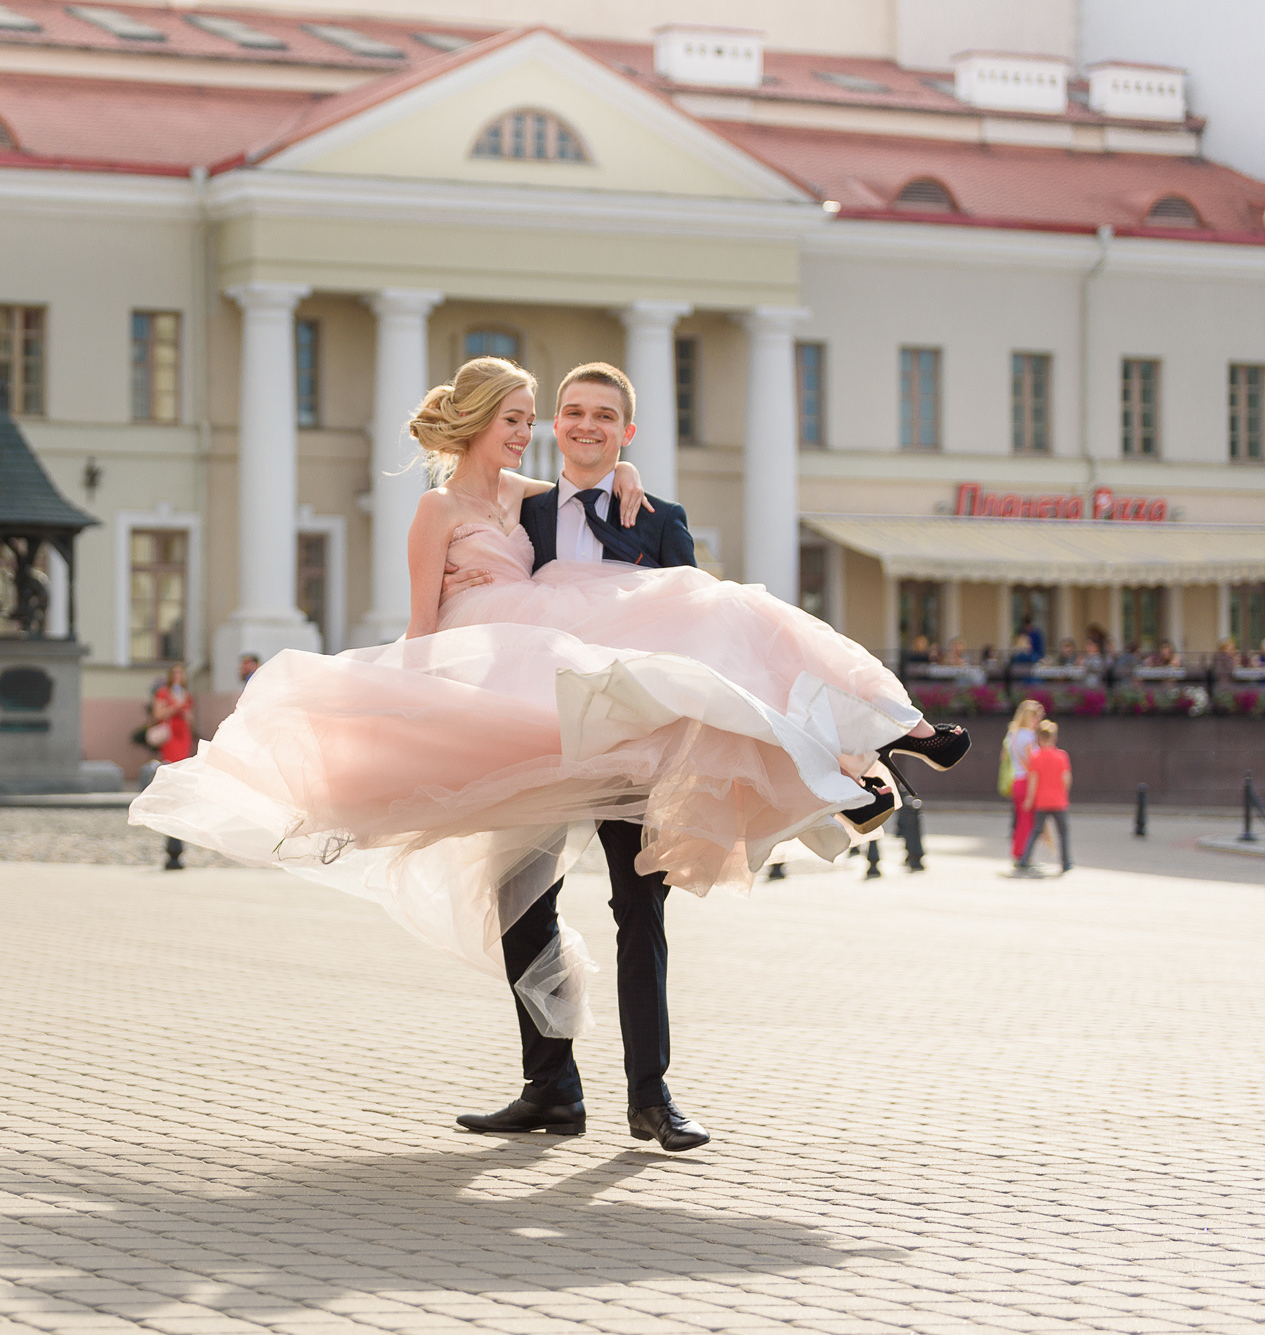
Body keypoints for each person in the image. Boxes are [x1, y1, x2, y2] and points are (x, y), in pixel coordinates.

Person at [132, 357, 966, 1148]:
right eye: (532, 418)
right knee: (520, 905)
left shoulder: (643, 513)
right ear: (488, 421)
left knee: (640, 907)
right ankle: (552, 1088)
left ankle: (653, 1096)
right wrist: (414, 720)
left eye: (553, 418)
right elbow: (425, 628)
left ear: (624, 430)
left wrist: (627, 479)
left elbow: (696, 644)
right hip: (523, 720)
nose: (542, 431)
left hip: (630, 746)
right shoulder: (496, 508)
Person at [1014, 720, 1072, 876]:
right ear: (1054, 738)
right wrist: (1063, 793)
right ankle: (1066, 862)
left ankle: (1024, 859)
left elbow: (1033, 780)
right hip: (1059, 801)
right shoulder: (1061, 756)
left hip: (1042, 801)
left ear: (1040, 739)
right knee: (1063, 832)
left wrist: (1030, 800)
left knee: (1035, 831)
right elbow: (1066, 779)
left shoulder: (1036, 757)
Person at [1002, 699, 1044, 860]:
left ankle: (1019, 853)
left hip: (1017, 780)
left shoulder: (1013, 733)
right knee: (1028, 822)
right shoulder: (1028, 735)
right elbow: (1031, 762)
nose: (1038, 722)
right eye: (1037, 717)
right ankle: (1022, 855)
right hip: (1027, 781)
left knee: (1021, 821)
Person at [150, 663, 195, 764]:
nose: (178, 676)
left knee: (183, 762)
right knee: (170, 762)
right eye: (175, 673)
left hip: (183, 732)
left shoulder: (186, 694)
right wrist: (175, 708)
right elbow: (158, 714)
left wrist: (186, 714)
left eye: (180, 673)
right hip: (170, 732)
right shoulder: (163, 693)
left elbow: (191, 717)